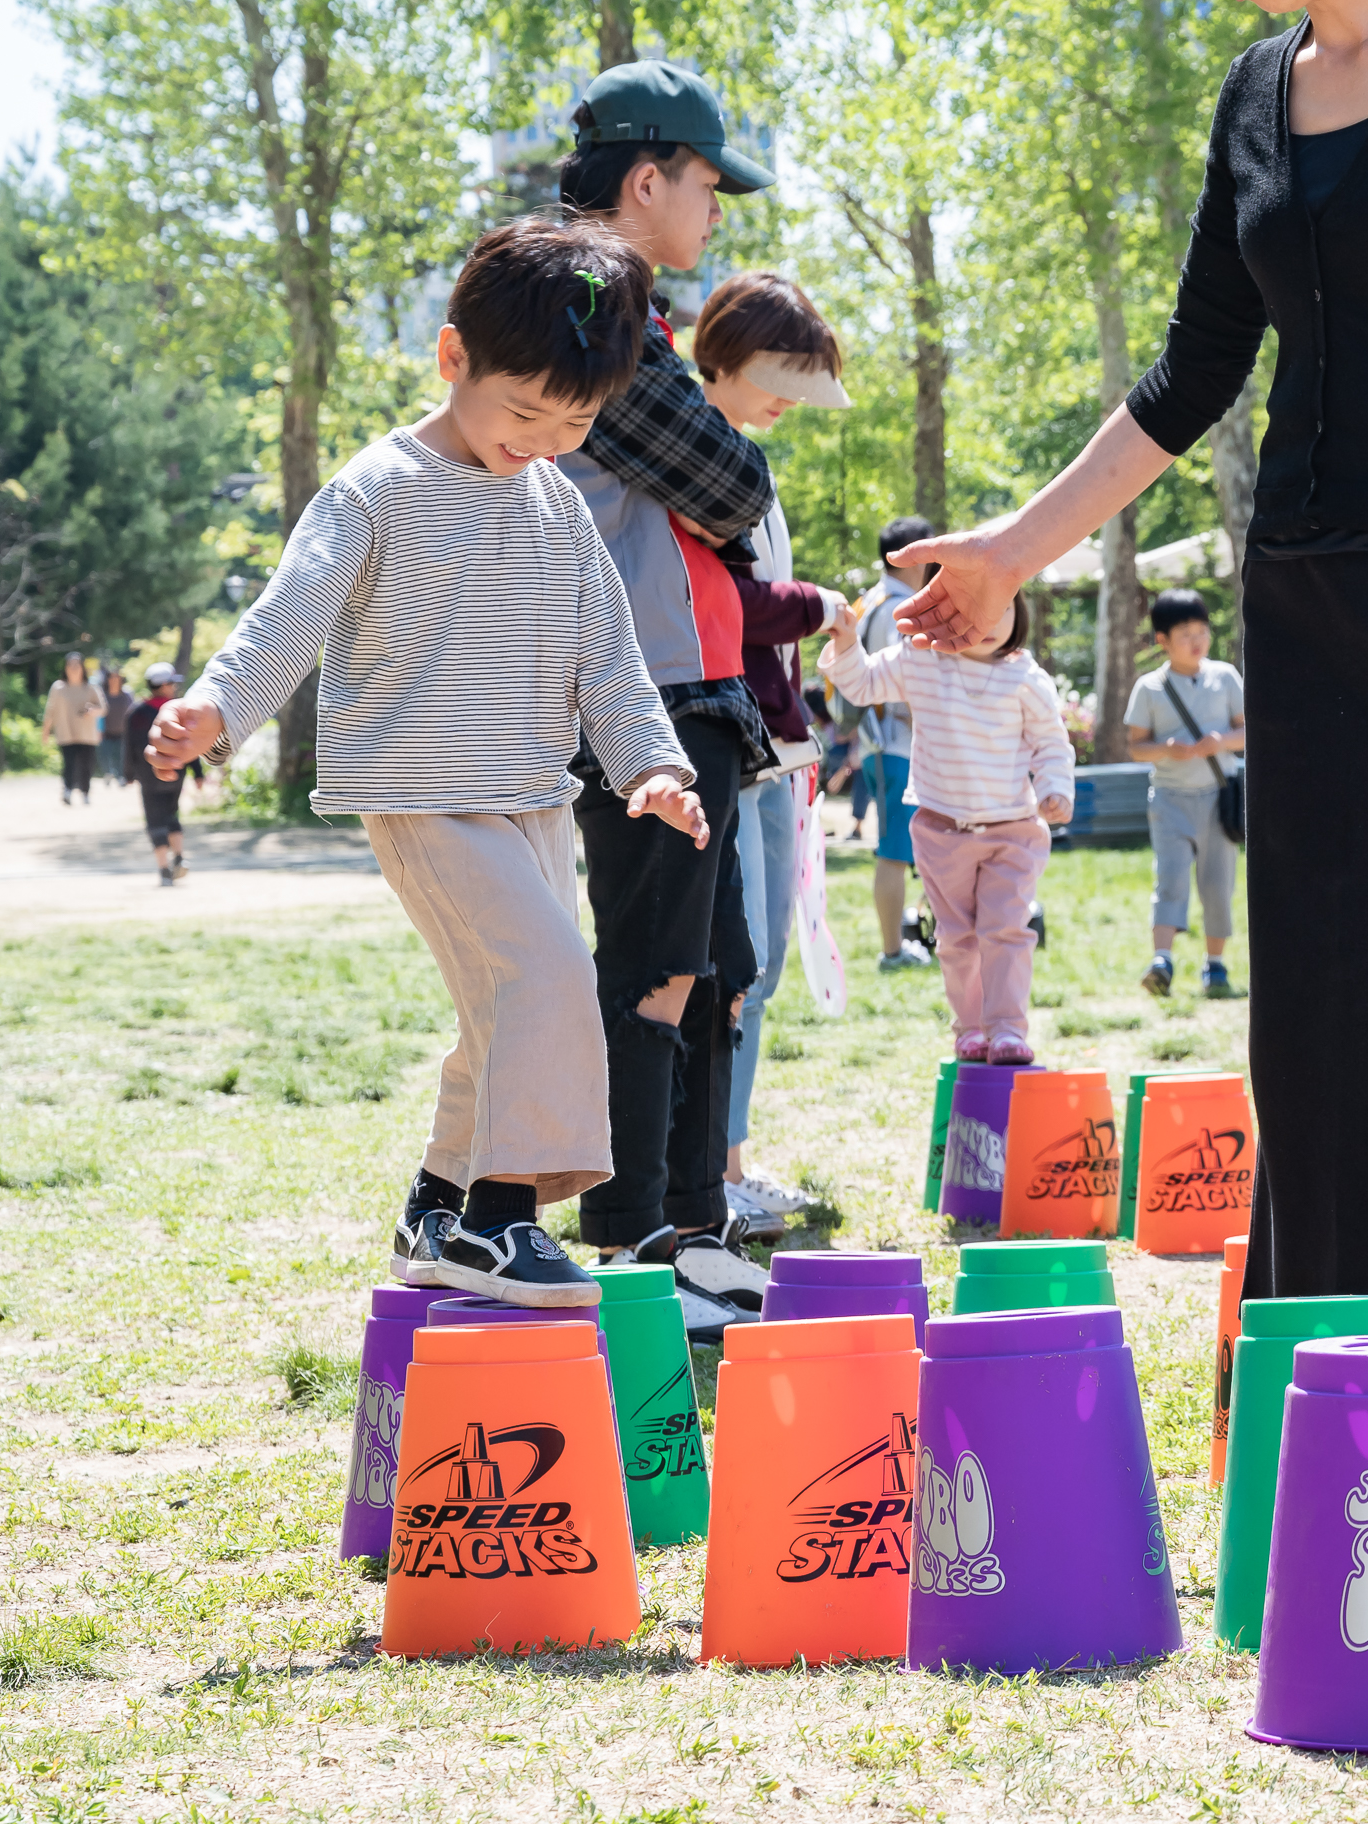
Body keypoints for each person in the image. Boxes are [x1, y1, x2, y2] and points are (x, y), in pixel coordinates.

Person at [878, 0, 1368, 1556]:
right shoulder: (1253, 90)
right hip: (1305, 595)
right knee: (1309, 1003)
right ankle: (1335, 1380)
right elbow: (1192, 369)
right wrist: (1014, 552)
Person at [146, 217, 708, 1310]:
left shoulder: (556, 507)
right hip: (423, 795)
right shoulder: (377, 489)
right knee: (544, 983)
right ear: (453, 360)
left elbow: (611, 658)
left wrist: (653, 766)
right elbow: (288, 615)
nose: (543, 440)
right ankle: (499, 1223)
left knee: (503, 1014)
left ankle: (437, 1208)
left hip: (532, 800)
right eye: (523, 411)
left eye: (576, 421)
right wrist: (217, 707)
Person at [551, 59, 783, 1314]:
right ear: (647, 179)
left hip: (697, 690)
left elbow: (721, 484)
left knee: (714, 967)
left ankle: (695, 1224)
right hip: (636, 696)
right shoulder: (581, 298)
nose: (714, 214)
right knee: (653, 964)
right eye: (705, 187)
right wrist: (728, 453)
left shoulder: (626, 307)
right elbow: (732, 482)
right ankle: (636, 1233)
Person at [689, 269, 852, 1235]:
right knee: (732, 966)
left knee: (763, 965)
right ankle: (708, 1175)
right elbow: (725, 607)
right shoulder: (693, 457)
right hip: (718, 741)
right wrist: (824, 605)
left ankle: (731, 1164)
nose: (790, 401)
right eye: (780, 377)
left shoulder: (745, 453)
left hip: (771, 746)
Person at [821, 594, 1072, 1063]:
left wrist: (1056, 787)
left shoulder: (1026, 676)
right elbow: (860, 684)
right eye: (979, 608)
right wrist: (846, 637)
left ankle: (1008, 1029)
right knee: (957, 938)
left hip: (1012, 831)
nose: (994, 619)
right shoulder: (921, 659)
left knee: (1005, 929)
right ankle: (971, 1029)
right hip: (940, 829)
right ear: (947, 615)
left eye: (1005, 607)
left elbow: (1051, 743)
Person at [1125, 589, 1246, 999]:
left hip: (1218, 798)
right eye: (1185, 634)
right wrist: (1166, 750)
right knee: (1170, 880)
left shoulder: (1226, 677)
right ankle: (1162, 960)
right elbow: (1136, 746)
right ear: (1162, 640)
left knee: (1218, 883)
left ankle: (1216, 966)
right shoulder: (1150, 687)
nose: (1197, 641)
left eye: (1202, 631)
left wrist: (1222, 741)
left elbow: (1249, 733)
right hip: (1170, 798)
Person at [849, 517, 936, 970]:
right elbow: (910, 683)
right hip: (896, 744)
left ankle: (899, 942)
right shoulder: (902, 608)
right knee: (894, 852)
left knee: (900, 849)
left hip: (876, 742)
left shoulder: (870, 600)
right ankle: (892, 952)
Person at [131, 662, 196, 883]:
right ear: (162, 685)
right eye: (171, 683)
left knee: (155, 819)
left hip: (148, 774)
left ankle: (164, 869)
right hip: (176, 770)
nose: (174, 688)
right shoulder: (180, 711)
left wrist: (128, 773)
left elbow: (128, 745)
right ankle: (178, 857)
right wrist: (197, 772)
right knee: (171, 814)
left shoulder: (138, 712)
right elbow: (192, 744)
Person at [42, 654, 104, 805]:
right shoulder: (58, 688)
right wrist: (45, 731)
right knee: (69, 764)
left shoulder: (90, 687)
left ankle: (85, 792)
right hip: (66, 733)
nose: (74, 669)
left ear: (83, 667)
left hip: (87, 734)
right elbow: (50, 711)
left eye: (77, 665)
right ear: (65, 668)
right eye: (70, 665)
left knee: (86, 765)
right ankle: (68, 790)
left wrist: (92, 711)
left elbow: (103, 708)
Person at [97, 668, 131, 788]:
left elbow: (132, 712)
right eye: (112, 677)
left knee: (121, 756)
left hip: (123, 731)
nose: (114, 680)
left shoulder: (127, 695)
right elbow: (99, 714)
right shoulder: (103, 695)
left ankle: (121, 776)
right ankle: (108, 773)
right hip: (106, 731)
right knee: (105, 755)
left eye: (117, 677)